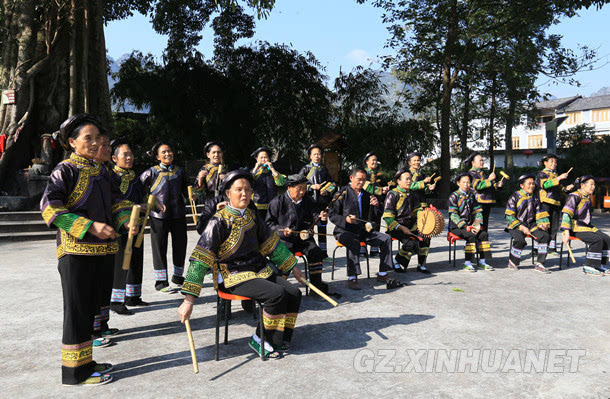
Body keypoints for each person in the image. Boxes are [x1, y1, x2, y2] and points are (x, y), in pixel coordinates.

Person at [41, 114, 137, 386]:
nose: (95, 143)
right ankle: (74, 373)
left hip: (103, 252)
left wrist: (125, 222)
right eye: (88, 138)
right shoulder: (65, 170)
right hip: (75, 252)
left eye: (98, 138)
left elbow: (117, 203)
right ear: (72, 142)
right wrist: (91, 227)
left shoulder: (103, 171)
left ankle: (87, 362)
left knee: (91, 310)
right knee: (77, 311)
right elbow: (50, 208)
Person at [178, 170, 304, 359]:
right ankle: (260, 339)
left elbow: (271, 245)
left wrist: (293, 268)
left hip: (258, 269)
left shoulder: (253, 217)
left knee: (294, 293)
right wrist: (189, 299)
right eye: (239, 190)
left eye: (247, 189)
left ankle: (278, 338)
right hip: (232, 274)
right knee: (276, 295)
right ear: (228, 193)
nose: (244, 194)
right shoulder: (218, 221)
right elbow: (201, 257)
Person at [266, 174, 338, 298]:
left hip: (304, 238)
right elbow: (269, 224)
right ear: (289, 187)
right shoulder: (277, 201)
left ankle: (316, 287)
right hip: (285, 240)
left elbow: (316, 216)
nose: (302, 192)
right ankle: (279, 290)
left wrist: (322, 218)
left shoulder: (308, 201)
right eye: (299, 188)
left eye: (304, 188)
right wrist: (282, 230)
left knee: (315, 252)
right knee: (285, 257)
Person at [328, 168, 399, 290]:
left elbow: (375, 215)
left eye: (363, 180)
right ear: (351, 178)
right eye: (358, 179)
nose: (361, 183)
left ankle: (383, 273)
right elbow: (332, 214)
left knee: (386, 239)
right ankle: (352, 277)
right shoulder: (342, 193)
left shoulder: (367, 195)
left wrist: (377, 205)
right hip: (345, 231)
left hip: (363, 230)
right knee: (353, 241)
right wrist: (346, 219)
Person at [109, 140, 157, 315]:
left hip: (137, 222)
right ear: (114, 158)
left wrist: (151, 203)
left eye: (130, 154)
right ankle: (116, 301)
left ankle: (133, 296)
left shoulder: (135, 177)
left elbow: (142, 195)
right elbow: (115, 200)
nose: (129, 158)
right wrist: (135, 207)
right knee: (122, 261)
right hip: (120, 224)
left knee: (136, 259)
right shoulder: (111, 176)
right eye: (125, 154)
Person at [140, 142, 192, 292]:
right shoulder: (150, 172)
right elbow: (139, 188)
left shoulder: (180, 171)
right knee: (159, 248)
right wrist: (148, 203)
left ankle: (178, 276)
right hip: (158, 216)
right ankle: (161, 281)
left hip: (178, 213)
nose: (167, 154)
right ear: (157, 156)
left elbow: (188, 189)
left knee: (180, 246)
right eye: (163, 152)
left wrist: (193, 194)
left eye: (169, 151)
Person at [382, 168, 431, 274]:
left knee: (426, 237)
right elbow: (388, 217)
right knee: (410, 242)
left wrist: (424, 215)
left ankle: (421, 264)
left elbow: (417, 209)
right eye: (407, 179)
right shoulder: (392, 194)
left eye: (410, 179)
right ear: (398, 181)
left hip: (410, 225)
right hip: (396, 226)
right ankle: (396, 262)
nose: (409, 181)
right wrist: (400, 227)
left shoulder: (412, 194)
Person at [560, 175, 610, 276]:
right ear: (582, 185)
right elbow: (566, 214)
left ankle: (600, 264)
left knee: (606, 238)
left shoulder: (587, 197)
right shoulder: (574, 196)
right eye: (591, 184)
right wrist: (566, 232)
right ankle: (589, 266)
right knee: (596, 239)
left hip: (587, 227)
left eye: (594, 185)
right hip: (576, 228)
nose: (593, 187)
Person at [505, 174, 552, 273]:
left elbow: (540, 214)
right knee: (520, 240)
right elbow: (509, 215)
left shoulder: (535, 198)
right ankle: (513, 261)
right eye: (529, 184)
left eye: (533, 184)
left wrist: (542, 224)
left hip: (531, 225)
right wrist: (521, 226)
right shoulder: (515, 196)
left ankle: (540, 263)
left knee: (545, 236)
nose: (532, 186)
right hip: (516, 225)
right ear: (522, 185)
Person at [448, 172, 493, 272]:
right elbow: (453, 215)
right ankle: (467, 263)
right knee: (470, 235)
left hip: (471, 226)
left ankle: (482, 262)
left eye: (468, 182)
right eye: (463, 182)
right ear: (458, 183)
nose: (466, 184)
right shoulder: (453, 196)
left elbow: (477, 211)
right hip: (457, 227)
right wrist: (465, 226)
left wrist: (477, 225)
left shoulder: (472, 196)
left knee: (484, 234)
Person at [299, 144, 336, 257]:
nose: (317, 156)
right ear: (310, 156)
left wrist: (326, 191)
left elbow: (333, 184)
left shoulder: (324, 169)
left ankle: (324, 253)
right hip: (309, 203)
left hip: (322, 203)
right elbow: (298, 184)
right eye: (314, 154)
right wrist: (311, 187)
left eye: (319, 154)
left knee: (322, 228)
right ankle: (310, 252)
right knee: (309, 227)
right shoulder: (305, 169)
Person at [536, 154, 574, 255]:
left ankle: (552, 248)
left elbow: (559, 189)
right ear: (545, 162)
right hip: (545, 202)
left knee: (554, 226)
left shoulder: (555, 175)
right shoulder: (542, 174)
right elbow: (545, 185)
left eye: (555, 162)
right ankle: (538, 249)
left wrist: (566, 189)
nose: (554, 164)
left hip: (556, 203)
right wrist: (559, 179)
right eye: (551, 161)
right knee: (543, 225)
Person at [465, 151, 503, 232]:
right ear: (473, 162)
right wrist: (489, 180)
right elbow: (478, 186)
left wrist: (497, 185)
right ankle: (474, 242)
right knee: (477, 224)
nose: (482, 162)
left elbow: (492, 185)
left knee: (485, 225)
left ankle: (483, 242)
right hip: (476, 202)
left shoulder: (484, 173)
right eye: (480, 160)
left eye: (482, 160)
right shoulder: (471, 174)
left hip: (486, 202)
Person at [362, 151, 389, 257]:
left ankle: (374, 248)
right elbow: (365, 186)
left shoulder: (375, 174)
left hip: (376, 203)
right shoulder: (363, 173)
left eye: (376, 160)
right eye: (372, 160)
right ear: (367, 162)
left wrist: (384, 190)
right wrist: (381, 190)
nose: (375, 162)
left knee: (376, 222)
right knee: (364, 223)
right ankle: (362, 247)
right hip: (366, 202)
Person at [251, 146, 286, 219]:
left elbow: (281, 183)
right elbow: (248, 183)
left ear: (269, 159)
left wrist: (272, 169)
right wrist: (255, 169)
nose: (263, 160)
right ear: (257, 159)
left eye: (265, 157)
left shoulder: (273, 172)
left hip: (272, 204)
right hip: (257, 205)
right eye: (261, 158)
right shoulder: (254, 172)